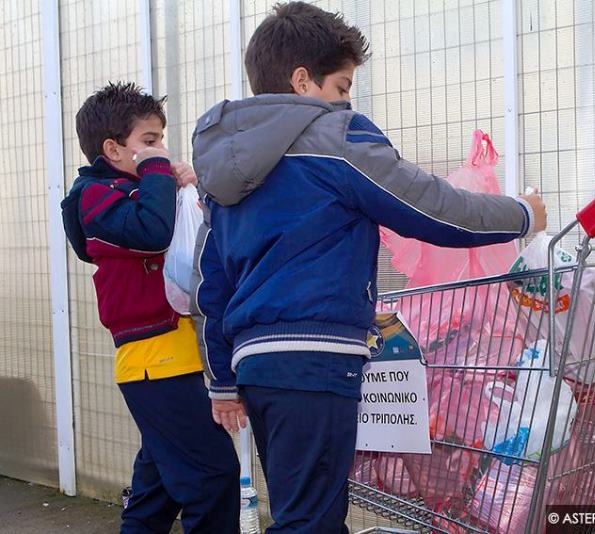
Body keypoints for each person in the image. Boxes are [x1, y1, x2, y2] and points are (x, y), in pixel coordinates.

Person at [190, 2, 546, 532]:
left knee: (305, 508)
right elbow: (430, 205)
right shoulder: (337, 140)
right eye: (342, 86)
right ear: (303, 80)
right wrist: (521, 215)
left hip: (257, 366)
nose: (347, 101)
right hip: (317, 359)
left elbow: (209, 285)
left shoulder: (224, 169)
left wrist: (222, 381)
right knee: (310, 519)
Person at [61, 82, 240, 534]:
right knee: (212, 478)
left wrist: (191, 192)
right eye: (149, 140)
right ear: (112, 149)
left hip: (172, 357)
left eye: (161, 138)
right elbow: (153, 233)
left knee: (156, 489)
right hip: (153, 362)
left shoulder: (139, 191)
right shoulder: (95, 197)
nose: (162, 148)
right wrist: (160, 170)